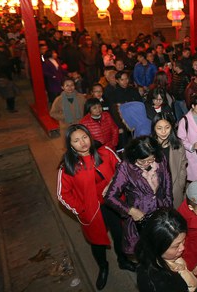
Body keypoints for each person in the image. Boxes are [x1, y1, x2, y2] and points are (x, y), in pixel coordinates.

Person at [56, 124, 134, 290]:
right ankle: (103, 267)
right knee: (97, 243)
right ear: (70, 145)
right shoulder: (67, 167)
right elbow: (63, 194)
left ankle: (123, 260)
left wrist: (113, 184)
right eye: (76, 140)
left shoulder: (105, 152)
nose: (82, 143)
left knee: (120, 234)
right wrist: (82, 209)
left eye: (85, 137)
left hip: (113, 204)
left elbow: (123, 170)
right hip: (92, 211)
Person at [104, 136, 173, 260]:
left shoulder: (160, 158)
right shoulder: (126, 167)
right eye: (142, 161)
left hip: (161, 213)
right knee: (145, 252)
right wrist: (130, 210)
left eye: (150, 160)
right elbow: (110, 197)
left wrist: (168, 207)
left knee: (162, 248)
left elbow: (167, 184)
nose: (147, 164)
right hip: (140, 218)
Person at [135, 209, 197, 292]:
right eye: (176, 246)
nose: (182, 248)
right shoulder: (159, 282)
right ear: (158, 247)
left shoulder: (157, 254)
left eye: (183, 240)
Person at [152, 112, 187, 208]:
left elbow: (183, 165)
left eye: (167, 127)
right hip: (156, 192)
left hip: (175, 189)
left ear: (172, 127)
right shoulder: (149, 147)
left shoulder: (178, 145)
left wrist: (181, 184)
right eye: (159, 128)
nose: (163, 132)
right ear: (154, 128)